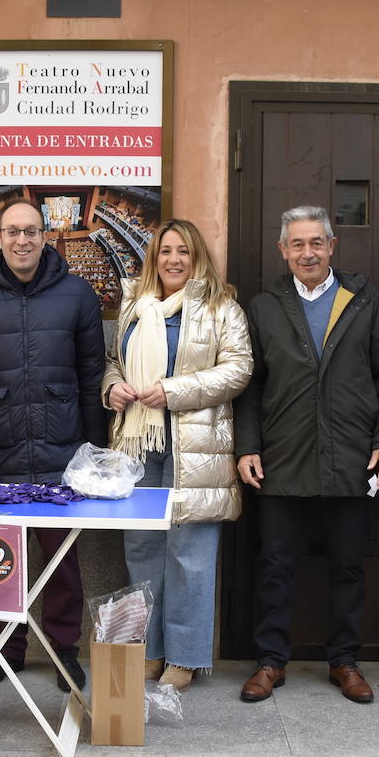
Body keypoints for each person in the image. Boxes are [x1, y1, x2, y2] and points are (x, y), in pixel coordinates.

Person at [234, 205, 379, 704]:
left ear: (332, 247)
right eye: (297, 244)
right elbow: (251, 384)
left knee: (349, 565)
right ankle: (270, 662)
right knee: (276, 564)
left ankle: (344, 661)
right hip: (282, 457)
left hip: (353, 457)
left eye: (317, 243)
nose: (307, 252)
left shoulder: (364, 301)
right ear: (282, 250)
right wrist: (248, 445)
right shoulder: (265, 306)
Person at [0, 198, 108, 691]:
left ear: (45, 237)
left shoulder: (78, 296)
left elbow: (91, 375)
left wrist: (95, 452)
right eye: (13, 232)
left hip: (62, 452)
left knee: (62, 564)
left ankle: (64, 653)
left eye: (31, 232)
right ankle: (5, 649)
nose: (22, 241)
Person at [104, 220, 252, 691]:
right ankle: (148, 650)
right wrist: (112, 387)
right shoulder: (134, 304)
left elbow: (239, 370)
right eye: (165, 251)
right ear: (154, 257)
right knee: (142, 548)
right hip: (138, 443)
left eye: (183, 252)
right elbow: (113, 361)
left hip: (197, 448)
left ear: (196, 258)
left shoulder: (221, 307)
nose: (173, 259)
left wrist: (172, 391)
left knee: (190, 553)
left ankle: (185, 657)